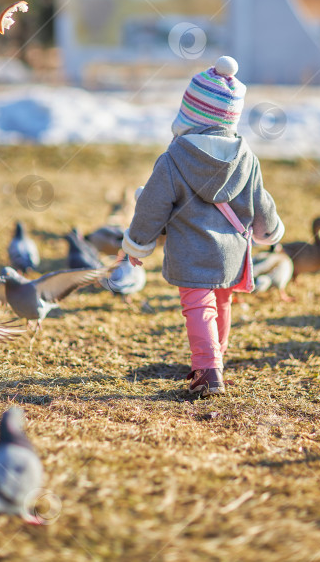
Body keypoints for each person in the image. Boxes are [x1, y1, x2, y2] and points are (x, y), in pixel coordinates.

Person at [122, 56, 284, 397]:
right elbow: (261, 198)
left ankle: (208, 370)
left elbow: (152, 206)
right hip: (232, 251)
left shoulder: (174, 158)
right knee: (221, 302)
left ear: (190, 113)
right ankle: (214, 361)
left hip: (190, 252)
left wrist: (137, 245)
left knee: (198, 306)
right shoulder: (247, 157)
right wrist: (269, 230)